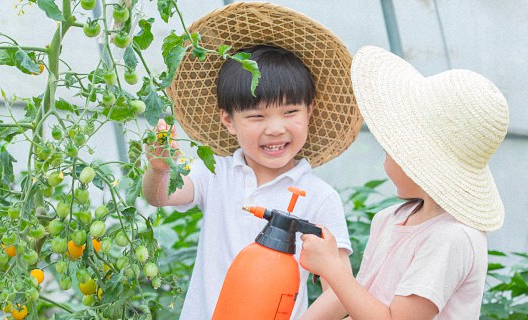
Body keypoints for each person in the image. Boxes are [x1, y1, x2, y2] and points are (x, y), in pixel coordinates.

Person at [141, 3, 363, 319]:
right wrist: (159, 169)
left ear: (309, 111)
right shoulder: (215, 171)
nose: (275, 128)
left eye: (290, 113)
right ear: (229, 121)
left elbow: (339, 294)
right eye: (256, 116)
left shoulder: (319, 198)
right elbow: (159, 196)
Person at [299, 46, 510, 320]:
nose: (386, 156)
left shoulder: (453, 238)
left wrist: (333, 270)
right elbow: (357, 297)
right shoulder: (390, 219)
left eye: (389, 149)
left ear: (415, 160)